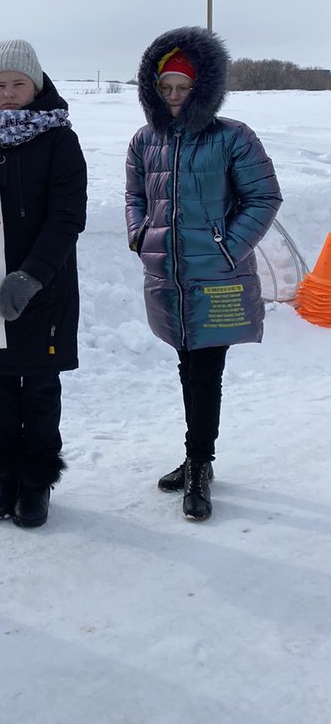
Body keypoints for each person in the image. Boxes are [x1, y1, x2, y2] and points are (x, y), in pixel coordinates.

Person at [125, 27, 282, 522]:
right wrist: (139, 235)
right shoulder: (144, 141)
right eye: (165, 87)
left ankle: (199, 464)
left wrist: (227, 247)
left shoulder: (232, 138)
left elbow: (264, 197)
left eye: (183, 88)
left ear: (203, 89)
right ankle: (196, 454)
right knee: (186, 364)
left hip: (218, 278)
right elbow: (135, 197)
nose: (173, 97)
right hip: (167, 275)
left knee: (205, 370)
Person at [0, 39, 87, 529]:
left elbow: (68, 218)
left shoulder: (59, 140)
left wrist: (32, 276)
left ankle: (38, 479)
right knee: (0, 383)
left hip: (42, 287)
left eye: (18, 84)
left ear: (36, 86)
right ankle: (5, 473)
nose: (8, 93)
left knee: (41, 387)